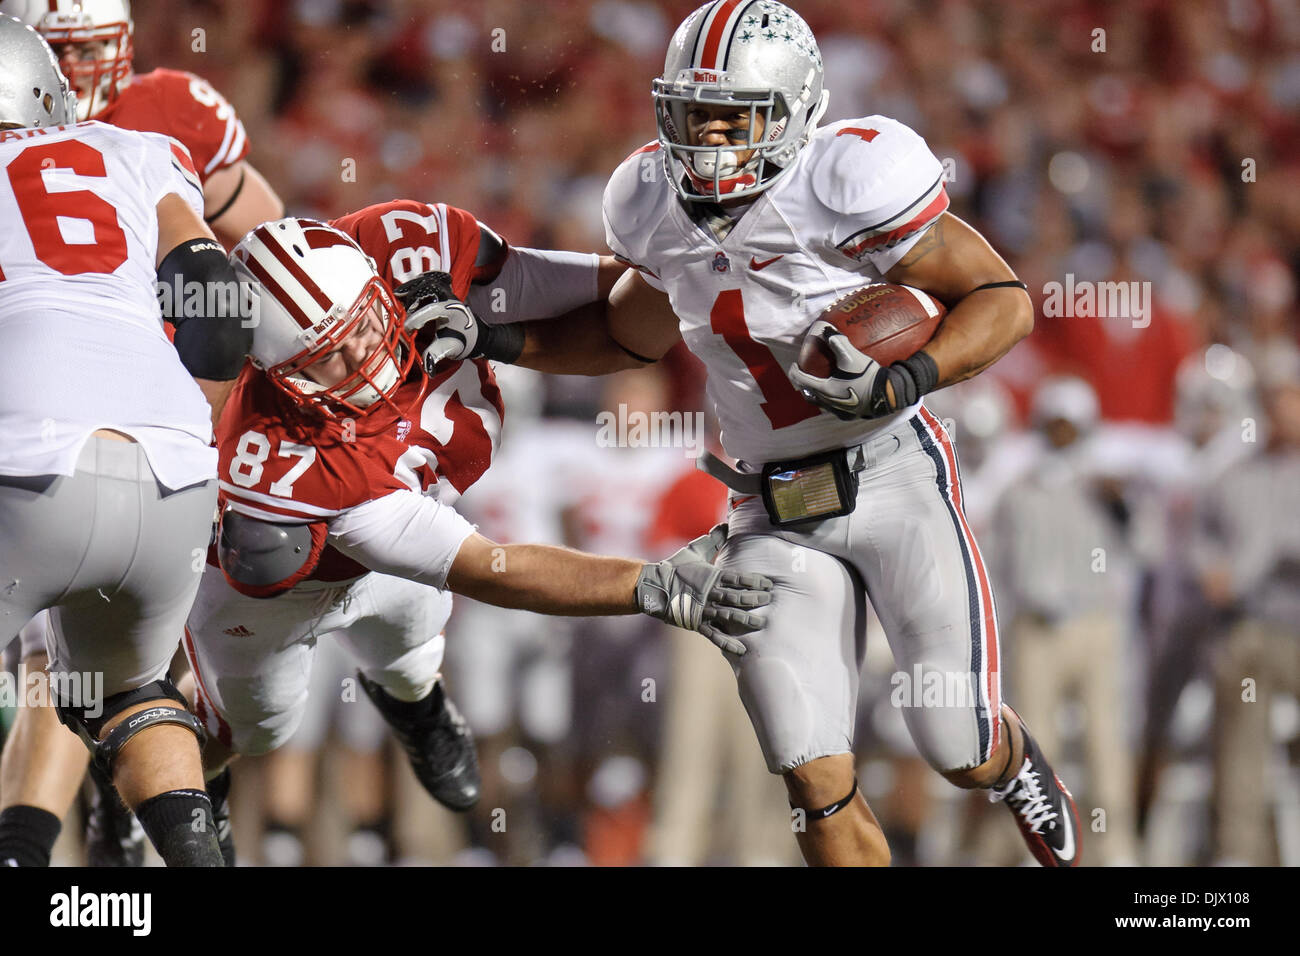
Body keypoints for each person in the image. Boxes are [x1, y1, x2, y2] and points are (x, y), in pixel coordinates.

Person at [424, 0, 1079, 866]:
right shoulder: (654, 201)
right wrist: (495, 337)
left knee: (955, 744)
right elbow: (627, 335)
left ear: (797, 111)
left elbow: (1002, 299)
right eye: (691, 118)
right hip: (773, 505)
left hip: (892, 474)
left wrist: (903, 376)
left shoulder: (849, 178)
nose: (707, 144)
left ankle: (1012, 763)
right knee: (814, 781)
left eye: (732, 120)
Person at [180, 216, 773, 865]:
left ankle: (418, 707)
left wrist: (501, 328)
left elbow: (598, 298)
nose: (359, 361)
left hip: (397, 559)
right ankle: (168, 799)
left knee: (411, 650)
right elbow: (494, 568)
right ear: (280, 376)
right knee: (256, 724)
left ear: (378, 283)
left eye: (360, 328)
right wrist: (649, 583)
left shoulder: (410, 246)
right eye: (323, 358)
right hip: (289, 587)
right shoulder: (284, 459)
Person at [0, 0, 285, 867]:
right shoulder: (143, 150)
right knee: (129, 690)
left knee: (56, 679)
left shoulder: (161, 119)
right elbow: (223, 312)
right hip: (170, 467)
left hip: (32, 466)